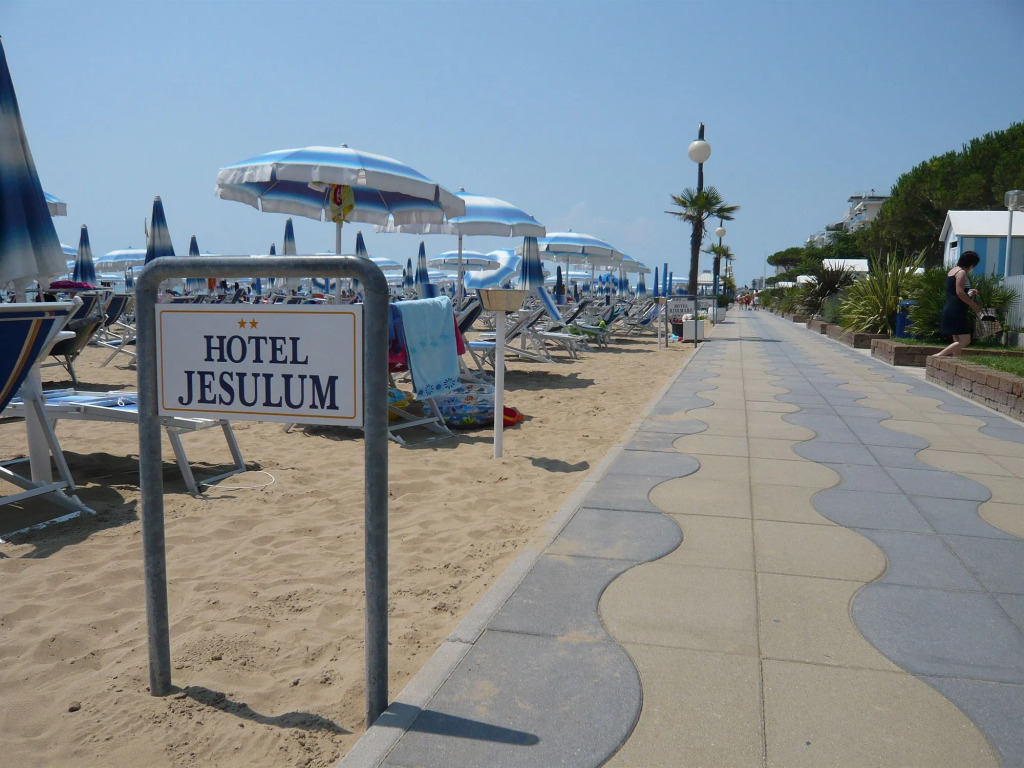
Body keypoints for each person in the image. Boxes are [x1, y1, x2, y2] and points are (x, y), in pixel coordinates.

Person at [933, 250, 982, 357]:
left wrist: (969, 291)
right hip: (957, 309)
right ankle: (939, 355)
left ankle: (956, 360)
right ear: (971, 264)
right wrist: (973, 305)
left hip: (951, 307)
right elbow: (959, 292)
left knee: (957, 339)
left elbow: (954, 291)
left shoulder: (953, 271)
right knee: (965, 340)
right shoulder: (961, 273)